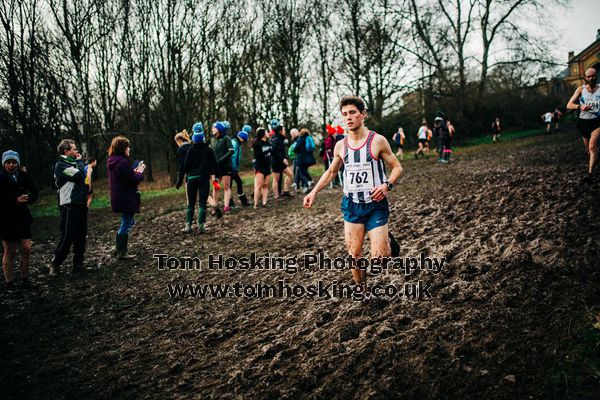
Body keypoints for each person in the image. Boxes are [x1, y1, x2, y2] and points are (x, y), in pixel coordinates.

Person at [303, 96, 402, 294]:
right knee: (354, 254)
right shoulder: (341, 145)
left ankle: (388, 244)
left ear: (362, 115)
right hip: (352, 206)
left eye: (353, 113)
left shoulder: (378, 141)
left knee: (379, 259)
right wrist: (314, 191)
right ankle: (362, 291)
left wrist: (386, 185)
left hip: (375, 205)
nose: (348, 118)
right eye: (345, 114)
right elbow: (331, 172)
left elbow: (397, 167)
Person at [49, 139, 88, 275]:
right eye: (74, 149)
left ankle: (78, 263)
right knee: (67, 235)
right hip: (68, 204)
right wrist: (80, 162)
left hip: (81, 203)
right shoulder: (61, 165)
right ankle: (55, 263)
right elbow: (79, 176)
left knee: (81, 234)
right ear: (66, 151)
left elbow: (84, 181)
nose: (76, 151)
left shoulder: (73, 163)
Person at [0, 151, 38, 291]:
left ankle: (25, 279)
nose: (11, 165)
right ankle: (9, 283)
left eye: (14, 162)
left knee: (27, 248)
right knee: (10, 251)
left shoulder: (23, 176)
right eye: (8, 162)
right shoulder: (1, 178)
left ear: (18, 163)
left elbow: (35, 191)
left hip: (23, 218)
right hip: (6, 220)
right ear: (4, 164)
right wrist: (15, 200)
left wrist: (29, 198)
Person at [107, 136, 145, 260]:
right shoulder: (123, 162)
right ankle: (121, 252)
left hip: (119, 196)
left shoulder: (113, 160)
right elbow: (133, 181)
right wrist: (139, 172)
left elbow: (124, 177)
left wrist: (133, 171)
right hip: (125, 197)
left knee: (128, 221)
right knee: (127, 222)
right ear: (122, 148)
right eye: (127, 147)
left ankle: (118, 248)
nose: (129, 149)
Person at [176, 126, 218, 233]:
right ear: (203, 137)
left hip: (191, 179)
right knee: (202, 203)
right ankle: (201, 227)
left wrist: (180, 180)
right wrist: (214, 175)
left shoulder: (191, 150)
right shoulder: (208, 150)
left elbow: (184, 166)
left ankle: (188, 226)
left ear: (194, 138)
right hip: (203, 178)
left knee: (191, 202)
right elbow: (215, 164)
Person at [567, 67, 600, 184]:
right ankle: (595, 156)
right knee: (589, 150)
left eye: (593, 75)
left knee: (592, 147)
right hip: (583, 122)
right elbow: (569, 104)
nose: (591, 78)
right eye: (589, 76)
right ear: (585, 78)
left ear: (596, 76)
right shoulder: (580, 89)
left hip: (597, 122)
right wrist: (580, 107)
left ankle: (590, 174)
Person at [211, 121, 234, 213]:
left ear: (219, 129)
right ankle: (215, 207)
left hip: (225, 166)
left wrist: (220, 160)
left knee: (226, 187)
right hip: (216, 168)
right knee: (215, 187)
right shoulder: (213, 140)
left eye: (214, 127)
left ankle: (226, 207)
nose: (212, 129)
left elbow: (231, 151)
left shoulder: (226, 138)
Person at [270, 122, 294, 198]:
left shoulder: (281, 138)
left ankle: (286, 191)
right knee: (276, 179)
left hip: (281, 162)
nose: (285, 131)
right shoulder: (275, 139)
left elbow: (281, 150)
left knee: (290, 174)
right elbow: (274, 151)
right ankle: (276, 195)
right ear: (280, 131)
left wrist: (285, 157)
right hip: (276, 162)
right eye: (283, 130)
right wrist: (282, 158)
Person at [231, 125, 251, 208]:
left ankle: (242, 200)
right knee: (229, 185)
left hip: (234, 168)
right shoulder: (234, 143)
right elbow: (232, 156)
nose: (243, 142)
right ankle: (230, 203)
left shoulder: (237, 143)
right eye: (243, 140)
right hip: (231, 168)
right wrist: (233, 167)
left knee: (238, 182)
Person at [253, 128, 272, 208]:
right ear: (263, 134)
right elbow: (258, 155)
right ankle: (256, 204)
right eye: (266, 132)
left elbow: (271, 153)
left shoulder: (268, 143)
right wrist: (268, 151)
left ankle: (264, 203)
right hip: (260, 167)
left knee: (266, 185)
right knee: (258, 185)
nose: (268, 133)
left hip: (267, 166)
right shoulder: (257, 144)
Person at [294, 128, 317, 194]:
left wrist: (295, 151)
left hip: (301, 159)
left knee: (301, 173)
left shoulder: (300, 139)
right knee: (304, 171)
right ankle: (309, 181)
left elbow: (296, 148)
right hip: (309, 160)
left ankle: (307, 184)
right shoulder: (309, 138)